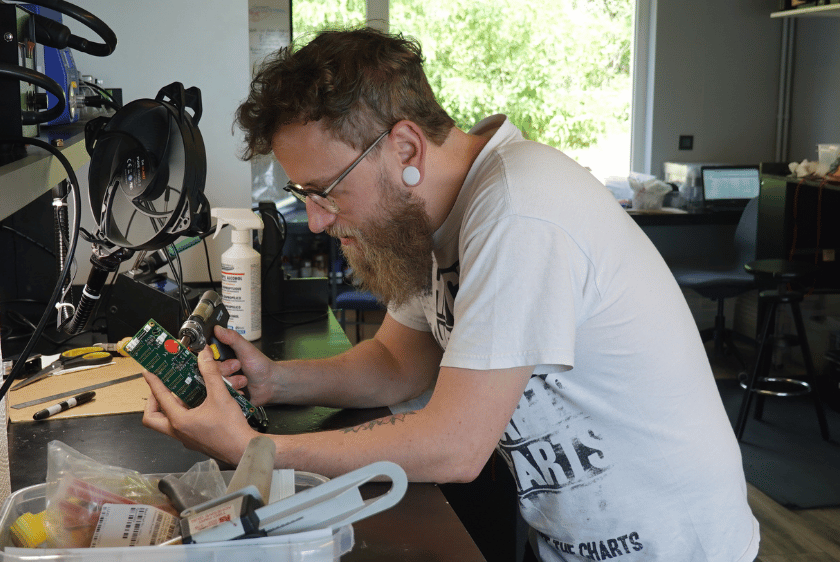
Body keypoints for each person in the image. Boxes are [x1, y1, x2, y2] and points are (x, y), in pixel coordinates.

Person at [141, 27, 759, 561]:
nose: (319, 219)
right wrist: (277, 380)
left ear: (405, 148)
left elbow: (456, 445)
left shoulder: (519, 209)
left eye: (324, 189)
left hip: (674, 548)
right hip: (572, 540)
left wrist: (256, 451)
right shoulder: (430, 225)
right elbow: (395, 363)